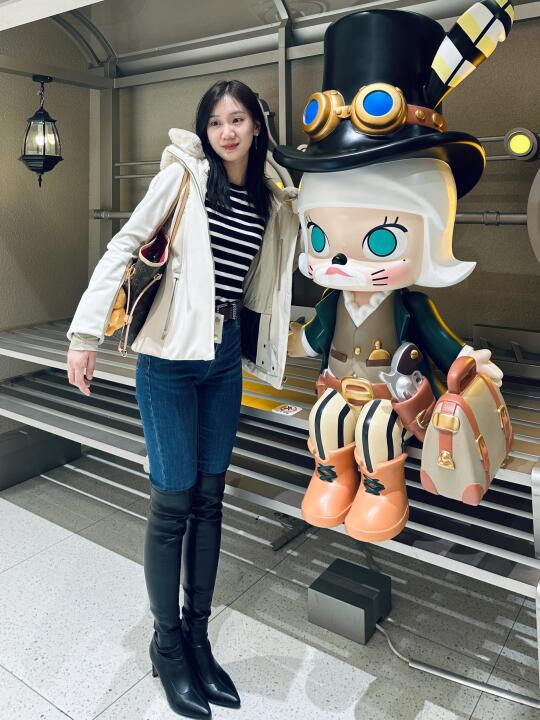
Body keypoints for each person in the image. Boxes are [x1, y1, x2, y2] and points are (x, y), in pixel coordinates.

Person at [66, 79, 298, 719]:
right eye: (216, 122)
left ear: (256, 126)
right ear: (205, 130)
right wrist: (85, 334)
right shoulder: (184, 179)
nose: (227, 132)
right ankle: (167, 645)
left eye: (238, 119)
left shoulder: (271, 194)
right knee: (173, 504)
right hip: (168, 360)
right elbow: (123, 245)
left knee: (210, 499)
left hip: (223, 358)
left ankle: (198, 638)